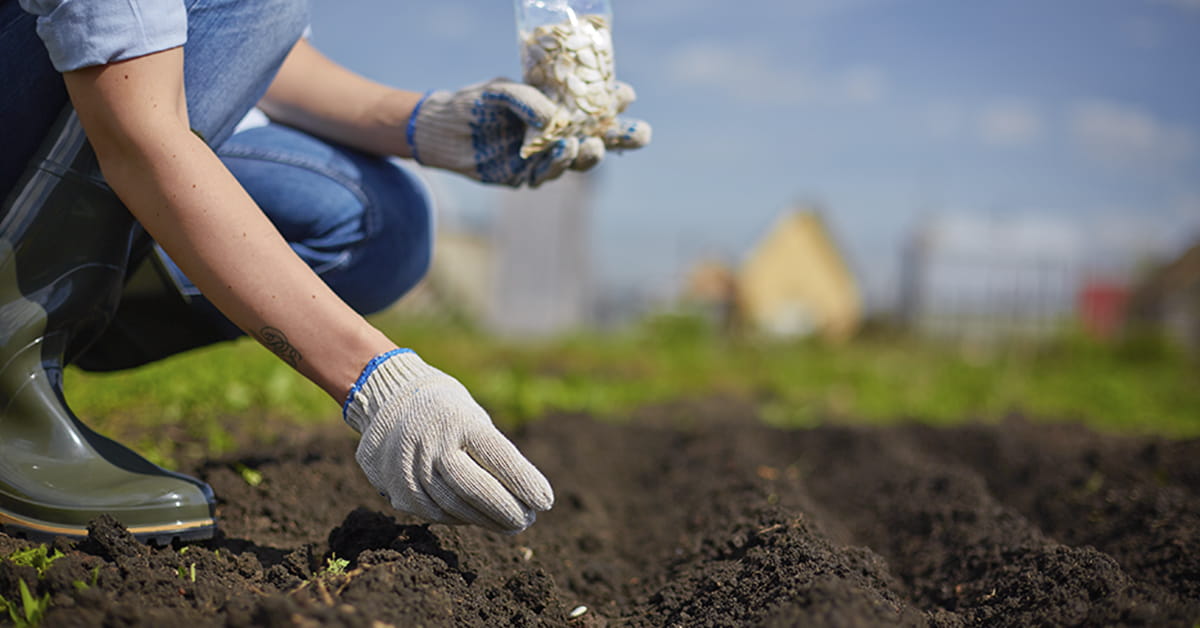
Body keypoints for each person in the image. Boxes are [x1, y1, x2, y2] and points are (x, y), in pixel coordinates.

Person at [0, 0, 650, 543]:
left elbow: (238, 45)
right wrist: (379, 381)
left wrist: (433, 128)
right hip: (123, 120)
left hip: (117, 105)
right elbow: (134, 134)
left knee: (382, 224)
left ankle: (69, 315)